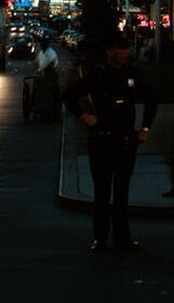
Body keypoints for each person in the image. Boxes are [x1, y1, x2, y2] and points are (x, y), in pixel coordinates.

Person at [62, 31, 156, 253]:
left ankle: (123, 239)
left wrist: (145, 128)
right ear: (108, 52)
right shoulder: (97, 75)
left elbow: (151, 99)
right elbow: (68, 95)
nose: (123, 54)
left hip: (126, 139)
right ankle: (101, 238)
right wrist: (85, 116)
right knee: (102, 193)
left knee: (122, 193)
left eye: (125, 50)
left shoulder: (131, 74)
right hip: (102, 139)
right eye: (119, 50)